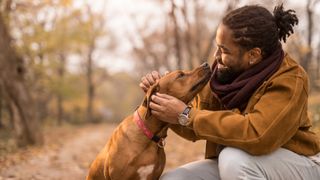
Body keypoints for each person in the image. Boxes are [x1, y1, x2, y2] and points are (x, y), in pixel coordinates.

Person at [140, 4, 320, 180]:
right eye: (217, 46)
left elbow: (258, 135)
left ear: (253, 55)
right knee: (176, 177)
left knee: (233, 161)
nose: (216, 56)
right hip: (240, 162)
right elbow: (193, 125)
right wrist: (162, 100)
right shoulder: (222, 76)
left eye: (224, 50)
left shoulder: (290, 78)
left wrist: (185, 114)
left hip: (300, 163)